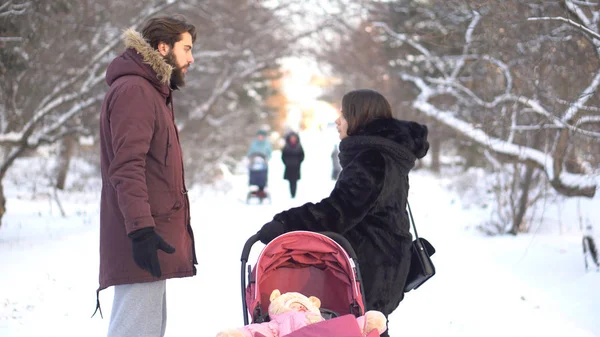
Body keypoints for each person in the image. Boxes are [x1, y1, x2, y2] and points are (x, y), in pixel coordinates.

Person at [257, 89, 429, 337]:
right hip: (387, 260)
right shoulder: (387, 154)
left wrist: (285, 223)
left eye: (344, 115)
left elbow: (337, 212)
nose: (338, 121)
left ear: (359, 117)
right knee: (371, 329)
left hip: (373, 266)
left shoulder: (371, 158)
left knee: (366, 329)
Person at [97, 16, 197, 337]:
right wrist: (141, 231)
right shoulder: (136, 91)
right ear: (163, 47)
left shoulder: (154, 92)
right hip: (142, 234)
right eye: (186, 49)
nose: (191, 59)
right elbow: (128, 167)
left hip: (153, 234)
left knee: (147, 329)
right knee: (136, 330)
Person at [247, 130, 272, 197]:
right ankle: (255, 190)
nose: (260, 137)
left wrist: (267, 158)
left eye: (262, 136)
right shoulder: (254, 143)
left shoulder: (267, 144)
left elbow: (269, 153)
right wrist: (250, 158)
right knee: (254, 176)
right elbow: (250, 152)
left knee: (262, 177)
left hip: (263, 163)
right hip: (254, 162)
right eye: (259, 136)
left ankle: (261, 190)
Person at [281, 132, 305, 198]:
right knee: (290, 181)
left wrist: (298, 162)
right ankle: (291, 193)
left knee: (294, 181)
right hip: (289, 167)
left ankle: (294, 194)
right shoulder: (286, 146)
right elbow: (283, 156)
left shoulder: (299, 146)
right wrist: (286, 162)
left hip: (296, 167)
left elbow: (302, 155)